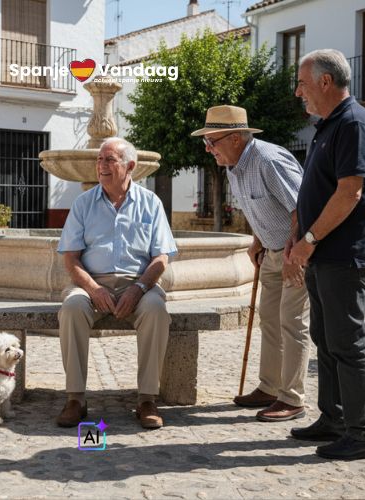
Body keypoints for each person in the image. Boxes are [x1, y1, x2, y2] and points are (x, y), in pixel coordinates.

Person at [287, 49, 365, 460]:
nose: (298, 93)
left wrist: (308, 239)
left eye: (303, 83)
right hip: (323, 255)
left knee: (348, 344)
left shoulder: (355, 124)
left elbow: (350, 192)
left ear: (326, 82)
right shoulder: (327, 126)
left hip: (344, 256)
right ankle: (334, 419)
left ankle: (363, 435)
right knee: (327, 342)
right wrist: (300, 241)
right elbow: (315, 191)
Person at [191, 105, 310, 422]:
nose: (208, 148)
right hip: (270, 253)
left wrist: (294, 254)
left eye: (212, 141)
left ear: (235, 138)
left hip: (294, 255)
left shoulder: (268, 161)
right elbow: (259, 209)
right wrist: (257, 241)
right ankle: (270, 388)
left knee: (292, 323)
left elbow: (304, 208)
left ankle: (293, 398)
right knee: (270, 321)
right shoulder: (233, 167)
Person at [55, 137, 177, 430]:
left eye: (109, 160)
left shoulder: (150, 203)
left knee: (156, 310)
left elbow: (161, 258)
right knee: (72, 308)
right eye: (100, 160)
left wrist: (139, 288)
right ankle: (75, 399)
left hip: (138, 283)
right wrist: (93, 289)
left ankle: (147, 399)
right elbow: (71, 259)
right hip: (92, 284)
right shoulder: (84, 204)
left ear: (130, 166)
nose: (101, 166)